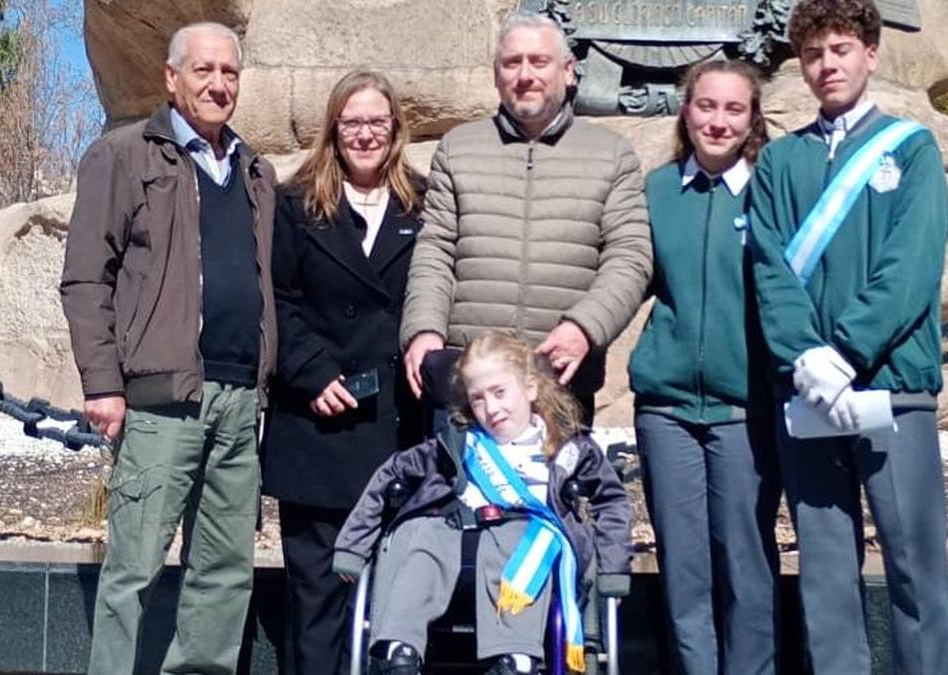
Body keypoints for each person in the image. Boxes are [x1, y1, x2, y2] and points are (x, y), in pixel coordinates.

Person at [747, 0, 948, 672]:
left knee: (915, 569)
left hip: (892, 386)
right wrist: (807, 356)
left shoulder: (913, 148)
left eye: (840, 50)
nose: (826, 65)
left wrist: (844, 350)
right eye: (813, 54)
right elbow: (769, 267)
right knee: (826, 571)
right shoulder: (780, 162)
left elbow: (912, 265)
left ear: (870, 55)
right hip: (808, 389)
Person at [59, 22, 277, 675]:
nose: (217, 84)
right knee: (132, 573)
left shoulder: (255, 170)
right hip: (160, 402)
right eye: (203, 70)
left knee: (223, 576)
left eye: (229, 73)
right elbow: (85, 277)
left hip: (240, 404)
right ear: (171, 77)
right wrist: (103, 382)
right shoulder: (123, 156)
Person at [399, 11, 652, 426]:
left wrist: (584, 328)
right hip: (469, 379)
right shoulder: (457, 148)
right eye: (511, 62)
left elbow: (630, 256)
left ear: (569, 71)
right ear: (497, 75)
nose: (525, 74)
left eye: (539, 61)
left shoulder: (612, 153)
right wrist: (424, 329)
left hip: (558, 377)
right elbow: (436, 249)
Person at [333, 332, 632, 675]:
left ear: (531, 388)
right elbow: (390, 475)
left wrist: (613, 566)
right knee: (422, 536)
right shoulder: (457, 444)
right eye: (478, 399)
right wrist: (353, 546)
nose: (491, 408)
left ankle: (515, 657)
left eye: (500, 392)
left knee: (511, 539)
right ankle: (398, 650)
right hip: (458, 534)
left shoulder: (568, 448)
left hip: (528, 544)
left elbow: (612, 501)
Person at [261, 70, 425, 675]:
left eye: (376, 122)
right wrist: (311, 372)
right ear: (334, 129)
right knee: (319, 602)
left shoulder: (426, 202)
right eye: (352, 122)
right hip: (319, 429)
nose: (364, 134)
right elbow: (278, 299)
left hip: (400, 429)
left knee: (400, 601)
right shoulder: (295, 205)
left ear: (395, 129)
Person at [628, 60, 779, 675]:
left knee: (745, 561)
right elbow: (625, 277)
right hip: (666, 411)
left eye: (733, 109)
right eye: (706, 106)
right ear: (686, 111)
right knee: (684, 567)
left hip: (744, 408)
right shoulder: (658, 191)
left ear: (751, 119)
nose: (717, 121)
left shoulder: (771, 191)